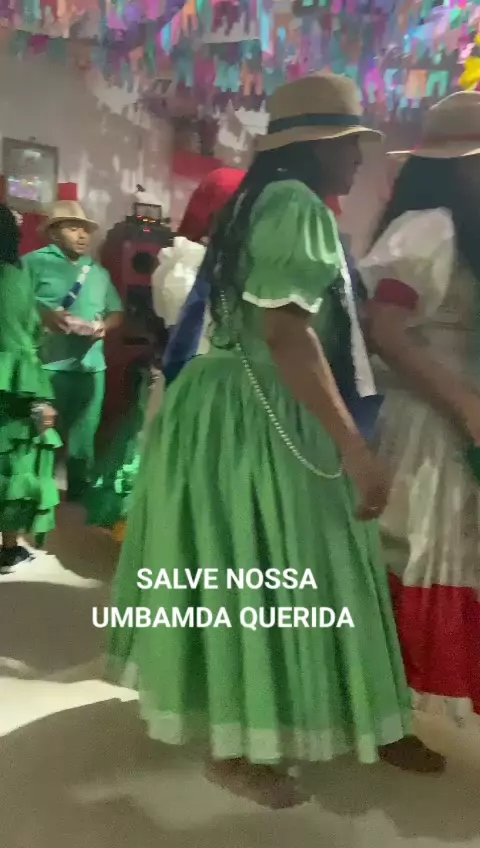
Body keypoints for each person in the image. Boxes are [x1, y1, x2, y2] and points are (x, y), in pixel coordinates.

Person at [107, 73, 412, 809]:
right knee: (269, 563)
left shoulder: (256, 202)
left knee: (240, 564)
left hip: (223, 406)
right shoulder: (296, 206)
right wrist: (355, 447)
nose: (358, 159)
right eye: (348, 145)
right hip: (261, 409)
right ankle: (242, 745)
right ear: (316, 148)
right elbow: (286, 333)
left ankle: (242, 734)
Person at [359, 90, 480, 771]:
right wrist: (462, 402)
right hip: (423, 423)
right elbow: (387, 330)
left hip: (456, 419)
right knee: (406, 560)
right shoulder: (426, 229)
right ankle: (378, 715)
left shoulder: (459, 229)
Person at [86, 168, 245, 542]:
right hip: (193, 380)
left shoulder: (228, 263)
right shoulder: (186, 260)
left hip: (223, 384)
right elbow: (184, 320)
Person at [23, 201, 123, 502]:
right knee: (40, 434)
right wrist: (45, 316)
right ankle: (34, 494)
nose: (82, 235)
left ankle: (79, 495)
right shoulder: (32, 263)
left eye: (86, 230)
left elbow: (116, 312)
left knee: (84, 435)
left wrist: (103, 327)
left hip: (90, 366)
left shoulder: (98, 273)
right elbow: (14, 304)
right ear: (54, 233)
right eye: (73, 228)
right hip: (46, 365)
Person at [0, 205, 61, 571]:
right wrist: (39, 397)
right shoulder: (12, 276)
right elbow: (19, 340)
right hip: (11, 389)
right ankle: (8, 548)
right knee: (14, 463)